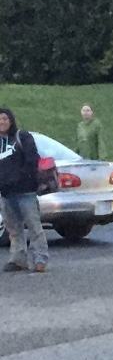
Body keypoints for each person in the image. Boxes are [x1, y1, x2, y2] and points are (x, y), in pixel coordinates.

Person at [0, 107, 49, 273]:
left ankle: (40, 259)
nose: (2, 122)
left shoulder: (23, 137)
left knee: (34, 227)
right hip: (6, 194)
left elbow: (32, 160)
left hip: (25, 192)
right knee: (13, 229)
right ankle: (18, 259)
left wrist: (18, 179)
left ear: (11, 120)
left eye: (5, 119)